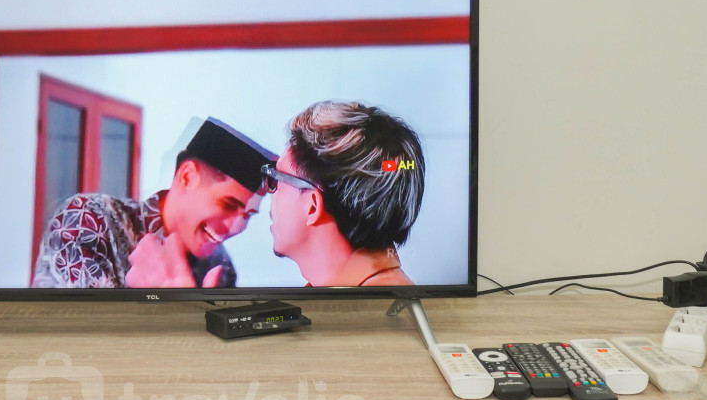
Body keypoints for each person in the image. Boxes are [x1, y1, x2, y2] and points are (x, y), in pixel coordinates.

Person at [31, 117, 275, 289]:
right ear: (187, 177)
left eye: (248, 215)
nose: (237, 227)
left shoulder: (220, 267)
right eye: (228, 204)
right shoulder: (90, 219)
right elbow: (93, 328)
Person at [262, 100, 425, 287]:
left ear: (312, 206)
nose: (270, 193)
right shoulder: (373, 293)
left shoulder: (368, 303)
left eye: (276, 179)